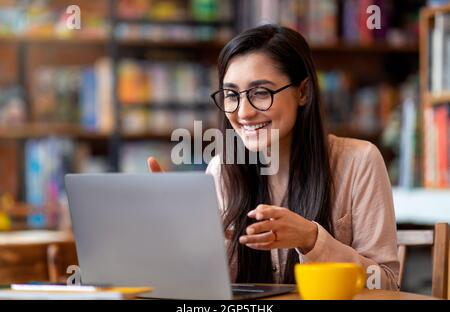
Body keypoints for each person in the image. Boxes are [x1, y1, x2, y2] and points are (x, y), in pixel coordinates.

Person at [147, 24, 399, 290]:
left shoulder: (359, 162)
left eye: (260, 93)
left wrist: (312, 240)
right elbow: (204, 287)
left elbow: (385, 285)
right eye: (231, 95)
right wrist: (181, 235)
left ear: (303, 92)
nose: (243, 113)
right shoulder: (221, 170)